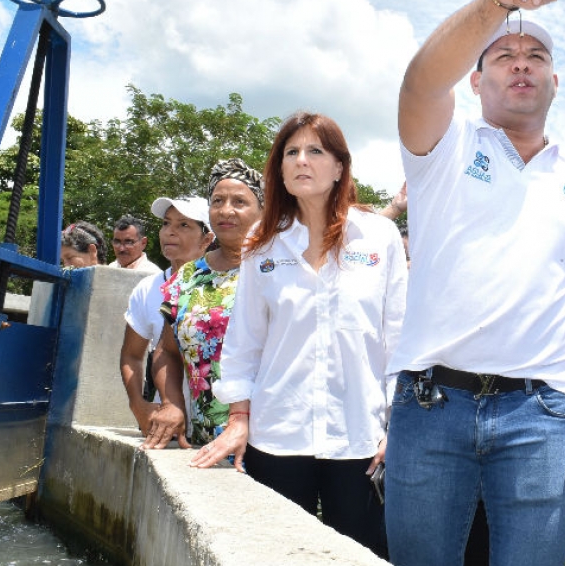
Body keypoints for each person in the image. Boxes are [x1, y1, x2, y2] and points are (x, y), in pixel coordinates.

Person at [385, 0, 565, 564]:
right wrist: (499, 1)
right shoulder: (444, 146)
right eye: (503, 55)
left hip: (542, 418)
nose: (521, 63)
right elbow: (419, 81)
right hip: (431, 404)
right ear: (475, 80)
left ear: (555, 81)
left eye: (536, 55)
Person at [187, 112, 404, 559]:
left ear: (340, 167)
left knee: (361, 553)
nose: (301, 160)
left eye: (315, 151)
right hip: (278, 434)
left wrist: (397, 426)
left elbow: (399, 338)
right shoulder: (262, 245)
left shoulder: (379, 236)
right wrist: (238, 419)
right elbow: (245, 341)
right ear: (279, 170)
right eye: (291, 152)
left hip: (359, 437)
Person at [141, 158, 264, 449]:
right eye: (217, 200)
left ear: (264, 211)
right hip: (207, 444)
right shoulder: (188, 276)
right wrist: (172, 403)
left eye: (239, 201)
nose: (225, 210)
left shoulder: (276, 269)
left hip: (273, 444)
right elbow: (165, 351)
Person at [119, 196, 213, 435]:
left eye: (183, 225)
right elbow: (132, 354)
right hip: (169, 430)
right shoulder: (146, 289)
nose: (169, 232)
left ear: (207, 239)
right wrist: (138, 405)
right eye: (165, 223)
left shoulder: (224, 287)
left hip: (220, 426)